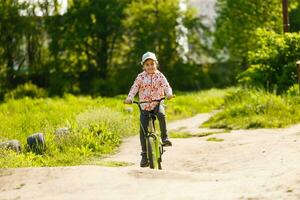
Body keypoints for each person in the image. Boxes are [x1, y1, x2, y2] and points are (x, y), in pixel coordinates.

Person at [124, 51, 174, 167]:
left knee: (161, 115)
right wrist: (129, 98)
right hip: (145, 106)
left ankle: (165, 137)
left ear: (156, 64)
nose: (150, 66)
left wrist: (169, 94)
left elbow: (166, 86)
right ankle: (144, 155)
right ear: (143, 66)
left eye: (152, 63)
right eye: (147, 64)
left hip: (157, 103)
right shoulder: (140, 77)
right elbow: (134, 88)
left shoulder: (160, 75)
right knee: (142, 130)